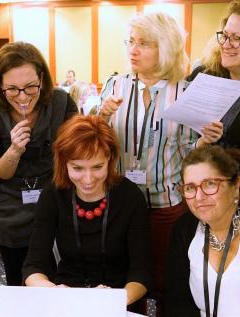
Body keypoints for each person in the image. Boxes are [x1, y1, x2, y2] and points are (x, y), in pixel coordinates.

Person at [98, 12, 223, 309]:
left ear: (165, 47)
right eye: (130, 42)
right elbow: (92, 147)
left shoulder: (185, 91)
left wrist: (206, 139)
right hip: (119, 203)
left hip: (167, 204)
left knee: (169, 281)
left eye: (144, 43)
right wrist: (100, 116)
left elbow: (191, 154)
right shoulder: (115, 85)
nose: (133, 50)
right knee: (125, 280)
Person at [0, 41, 78, 286]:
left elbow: (78, 151)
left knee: (65, 268)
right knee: (20, 273)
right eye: (12, 89)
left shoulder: (60, 103)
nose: (23, 97)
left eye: (31, 87)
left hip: (53, 191)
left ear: (42, 78)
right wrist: (13, 151)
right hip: (8, 202)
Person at [23, 115, 152, 308]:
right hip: (67, 296)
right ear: (63, 163)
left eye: (98, 167)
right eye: (77, 168)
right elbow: (33, 266)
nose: (88, 179)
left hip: (118, 298)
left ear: (110, 159)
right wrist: (51, 290)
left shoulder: (130, 197)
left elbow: (141, 273)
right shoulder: (53, 195)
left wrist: (115, 300)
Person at [163, 145, 240, 317]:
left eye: (210, 184)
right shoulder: (184, 230)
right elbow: (176, 303)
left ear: (236, 185)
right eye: (190, 188)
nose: (199, 197)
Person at [187, 0, 240, 149]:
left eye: (236, 38)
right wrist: (202, 142)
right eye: (225, 35)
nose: (226, 44)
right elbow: (181, 141)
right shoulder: (203, 75)